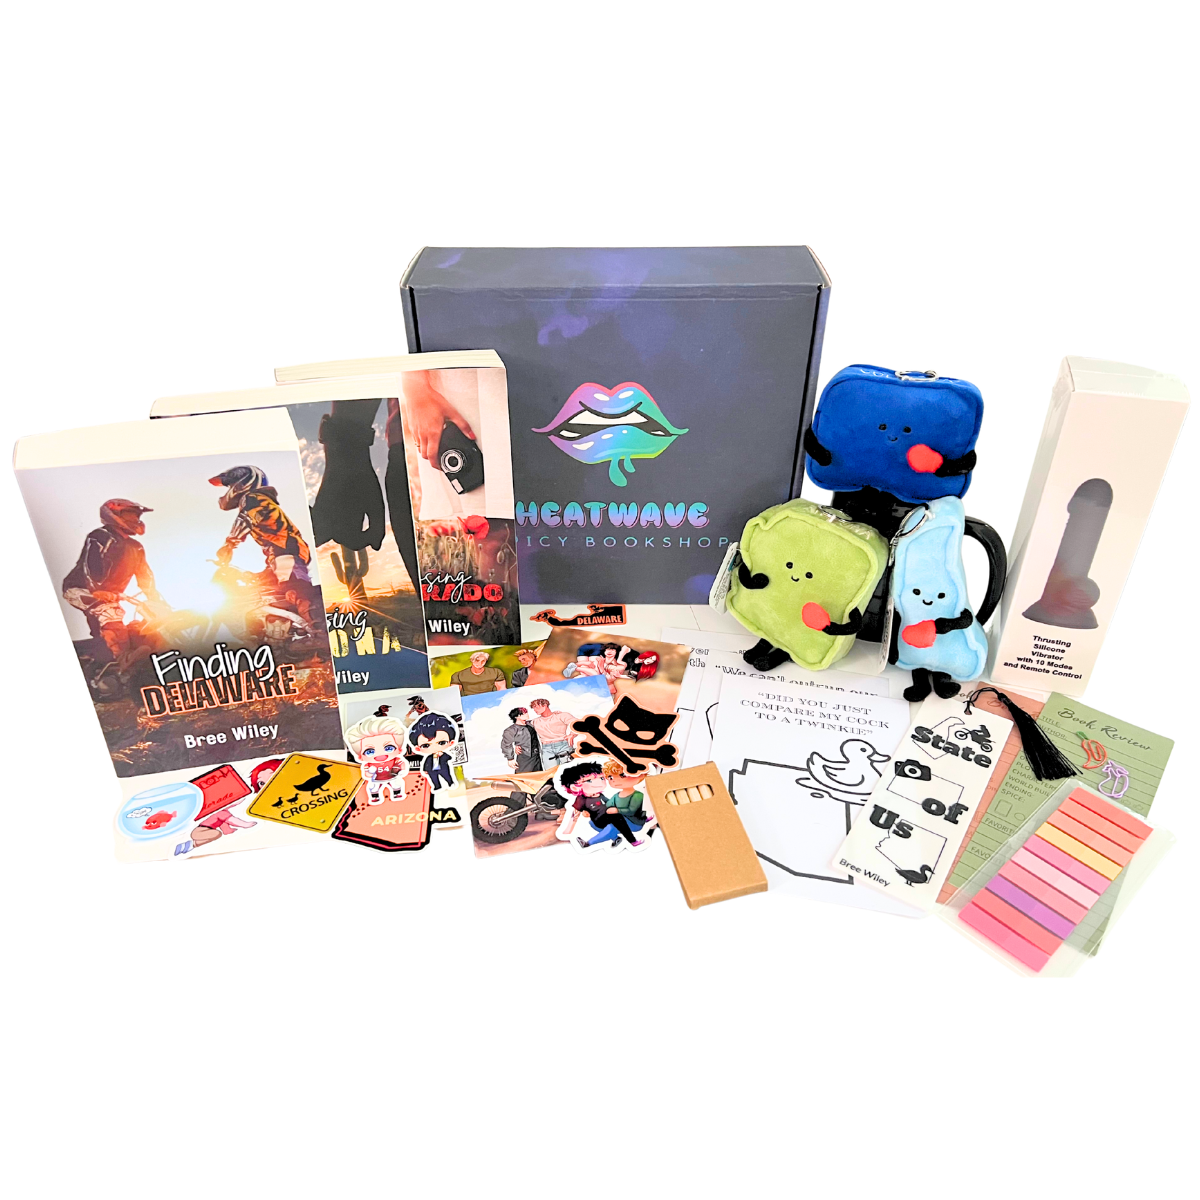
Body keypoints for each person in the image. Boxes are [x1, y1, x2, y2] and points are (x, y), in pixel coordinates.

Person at [62, 498, 163, 667]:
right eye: (129, 515)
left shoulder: (136, 547)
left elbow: (145, 575)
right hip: (79, 588)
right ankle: (121, 659)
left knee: (147, 619)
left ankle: (116, 655)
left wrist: (156, 600)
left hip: (110, 594)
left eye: (136, 516)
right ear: (113, 515)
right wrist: (96, 589)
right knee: (110, 612)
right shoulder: (100, 536)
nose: (135, 519)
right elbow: (91, 564)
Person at [209, 465, 314, 595]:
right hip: (278, 555)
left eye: (230, 486)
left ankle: (307, 603)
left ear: (242, 483)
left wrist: (229, 545)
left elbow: (246, 519)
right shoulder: (259, 500)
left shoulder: (254, 498)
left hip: (286, 552)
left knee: (295, 592)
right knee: (264, 590)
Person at [557, 760, 643, 849]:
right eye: (589, 780)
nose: (599, 783)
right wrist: (568, 832)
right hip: (600, 820)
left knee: (618, 815)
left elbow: (610, 802)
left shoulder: (600, 795)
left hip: (609, 816)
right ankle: (633, 841)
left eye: (602, 778)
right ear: (575, 787)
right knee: (617, 817)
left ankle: (617, 838)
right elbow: (574, 816)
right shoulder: (581, 799)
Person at [344, 712, 410, 804]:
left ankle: (397, 793)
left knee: (397, 783)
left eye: (389, 748)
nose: (380, 754)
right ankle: (375, 797)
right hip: (376, 779)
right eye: (369, 751)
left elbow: (402, 765)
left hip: (392, 776)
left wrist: (401, 770)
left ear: (399, 749)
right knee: (373, 787)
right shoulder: (368, 765)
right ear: (360, 757)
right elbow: (367, 774)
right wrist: (369, 773)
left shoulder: (396, 760)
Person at [408, 711, 458, 790]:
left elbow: (449, 758)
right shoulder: (429, 757)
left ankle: (450, 783)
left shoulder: (443, 754)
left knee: (447, 776)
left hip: (443, 768)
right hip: (432, 770)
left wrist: (442, 755)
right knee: (434, 779)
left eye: (442, 743)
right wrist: (425, 770)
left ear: (451, 743)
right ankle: (437, 786)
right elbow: (426, 763)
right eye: (426, 745)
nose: (434, 747)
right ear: (418, 748)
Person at [528, 696, 577, 767]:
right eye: (533, 708)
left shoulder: (561, 715)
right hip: (546, 748)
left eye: (536, 707)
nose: (535, 710)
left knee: (570, 770)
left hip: (563, 745)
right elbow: (521, 727)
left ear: (545, 705)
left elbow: (579, 724)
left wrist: (572, 735)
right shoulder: (535, 721)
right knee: (550, 771)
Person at [500, 707, 542, 773]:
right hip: (524, 756)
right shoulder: (511, 730)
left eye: (526, 712)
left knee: (539, 776)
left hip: (536, 756)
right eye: (524, 713)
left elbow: (543, 719)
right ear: (517, 716)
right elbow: (506, 744)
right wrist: (510, 759)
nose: (527, 714)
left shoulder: (531, 723)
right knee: (523, 776)